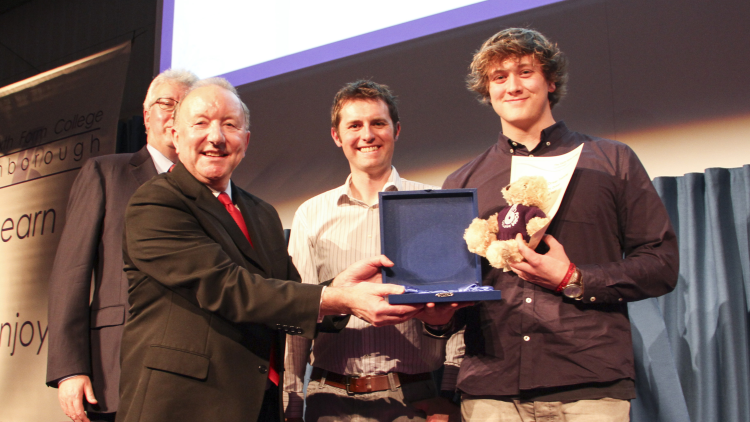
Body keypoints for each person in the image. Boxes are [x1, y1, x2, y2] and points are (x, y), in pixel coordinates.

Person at [115, 78, 424, 422]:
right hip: (182, 406)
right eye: (200, 123)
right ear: (175, 135)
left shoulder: (261, 213)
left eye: (229, 125)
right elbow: (228, 287)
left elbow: (288, 296)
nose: (216, 137)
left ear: (245, 141)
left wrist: (339, 289)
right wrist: (341, 299)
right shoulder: (156, 201)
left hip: (256, 405)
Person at [441, 28, 679, 421]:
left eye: (525, 72)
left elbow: (661, 264)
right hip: (491, 391)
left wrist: (575, 277)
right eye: (499, 77)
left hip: (588, 384)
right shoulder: (463, 182)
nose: (512, 86)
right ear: (487, 90)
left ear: (551, 81)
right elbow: (455, 291)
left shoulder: (611, 161)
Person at [283, 80, 464, 422]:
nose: (367, 134)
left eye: (377, 123)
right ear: (337, 136)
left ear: (396, 130)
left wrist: (450, 396)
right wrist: (292, 404)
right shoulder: (311, 213)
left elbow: (458, 311)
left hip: (415, 400)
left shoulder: (433, 204)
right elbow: (298, 316)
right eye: (354, 125)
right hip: (328, 400)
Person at [46, 69, 198, 422]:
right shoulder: (106, 173)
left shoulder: (209, 193)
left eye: (187, 108)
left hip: (192, 377)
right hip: (117, 366)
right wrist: (70, 369)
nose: (176, 115)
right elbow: (71, 273)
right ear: (146, 116)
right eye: (167, 104)